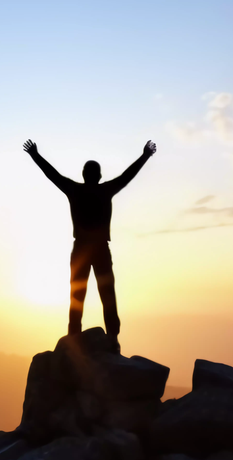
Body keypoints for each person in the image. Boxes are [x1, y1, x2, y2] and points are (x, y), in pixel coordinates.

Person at [23, 138, 157, 340]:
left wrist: (35, 155)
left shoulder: (75, 190)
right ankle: (112, 337)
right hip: (100, 249)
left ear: (84, 175)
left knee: (77, 295)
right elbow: (127, 176)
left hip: (81, 249)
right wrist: (145, 155)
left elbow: (52, 175)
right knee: (107, 294)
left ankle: (74, 336)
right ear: (100, 176)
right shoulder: (105, 190)